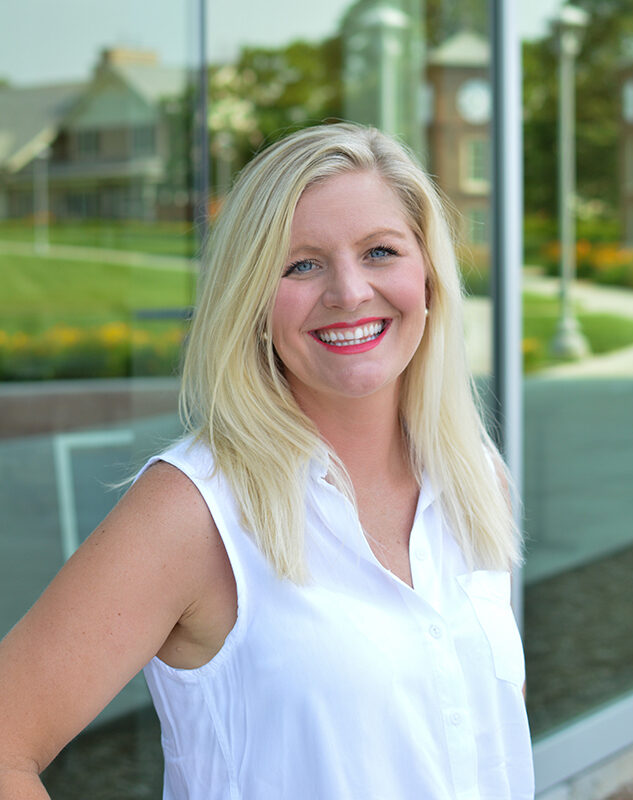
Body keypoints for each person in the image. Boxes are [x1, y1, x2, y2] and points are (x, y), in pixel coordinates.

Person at [0, 122, 533, 799]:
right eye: (301, 264)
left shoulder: (475, 478)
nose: (348, 292)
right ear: (253, 298)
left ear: (427, 275)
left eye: (380, 251)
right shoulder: (194, 511)